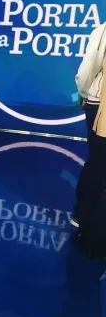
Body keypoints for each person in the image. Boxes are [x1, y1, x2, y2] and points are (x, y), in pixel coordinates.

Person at [73, 22, 106, 227]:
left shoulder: (102, 31)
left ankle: (85, 214)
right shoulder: (102, 31)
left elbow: (87, 70)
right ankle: (85, 213)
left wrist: (84, 93)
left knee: (98, 161)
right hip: (100, 104)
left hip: (99, 103)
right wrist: (85, 93)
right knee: (98, 161)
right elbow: (87, 70)